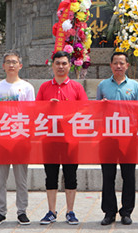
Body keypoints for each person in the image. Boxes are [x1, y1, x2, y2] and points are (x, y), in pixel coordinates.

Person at [36, 50, 88, 226]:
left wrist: (68, 111)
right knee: (50, 176)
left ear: (70, 66)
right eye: (57, 63)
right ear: (52, 65)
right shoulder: (44, 87)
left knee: (70, 175)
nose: (60, 66)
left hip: (71, 140)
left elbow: (85, 109)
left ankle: (70, 211)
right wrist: (48, 107)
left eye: (64, 63)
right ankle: (51, 211)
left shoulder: (76, 87)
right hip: (49, 139)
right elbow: (35, 110)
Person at [0, 51, 36, 226]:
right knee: (0, 179)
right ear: (3, 66)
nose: (11, 65)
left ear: (20, 65)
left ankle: (22, 211)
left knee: (21, 179)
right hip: (1, 138)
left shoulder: (27, 87)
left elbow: (31, 112)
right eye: (8, 62)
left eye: (14, 62)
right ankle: (0, 212)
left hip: (20, 138)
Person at [96, 51, 138, 226]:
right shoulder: (102, 85)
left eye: (122, 63)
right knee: (108, 175)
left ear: (127, 66)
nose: (118, 66)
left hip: (129, 137)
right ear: (110, 65)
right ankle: (109, 212)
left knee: (128, 176)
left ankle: (126, 211)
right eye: (115, 63)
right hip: (107, 137)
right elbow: (96, 111)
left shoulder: (134, 86)